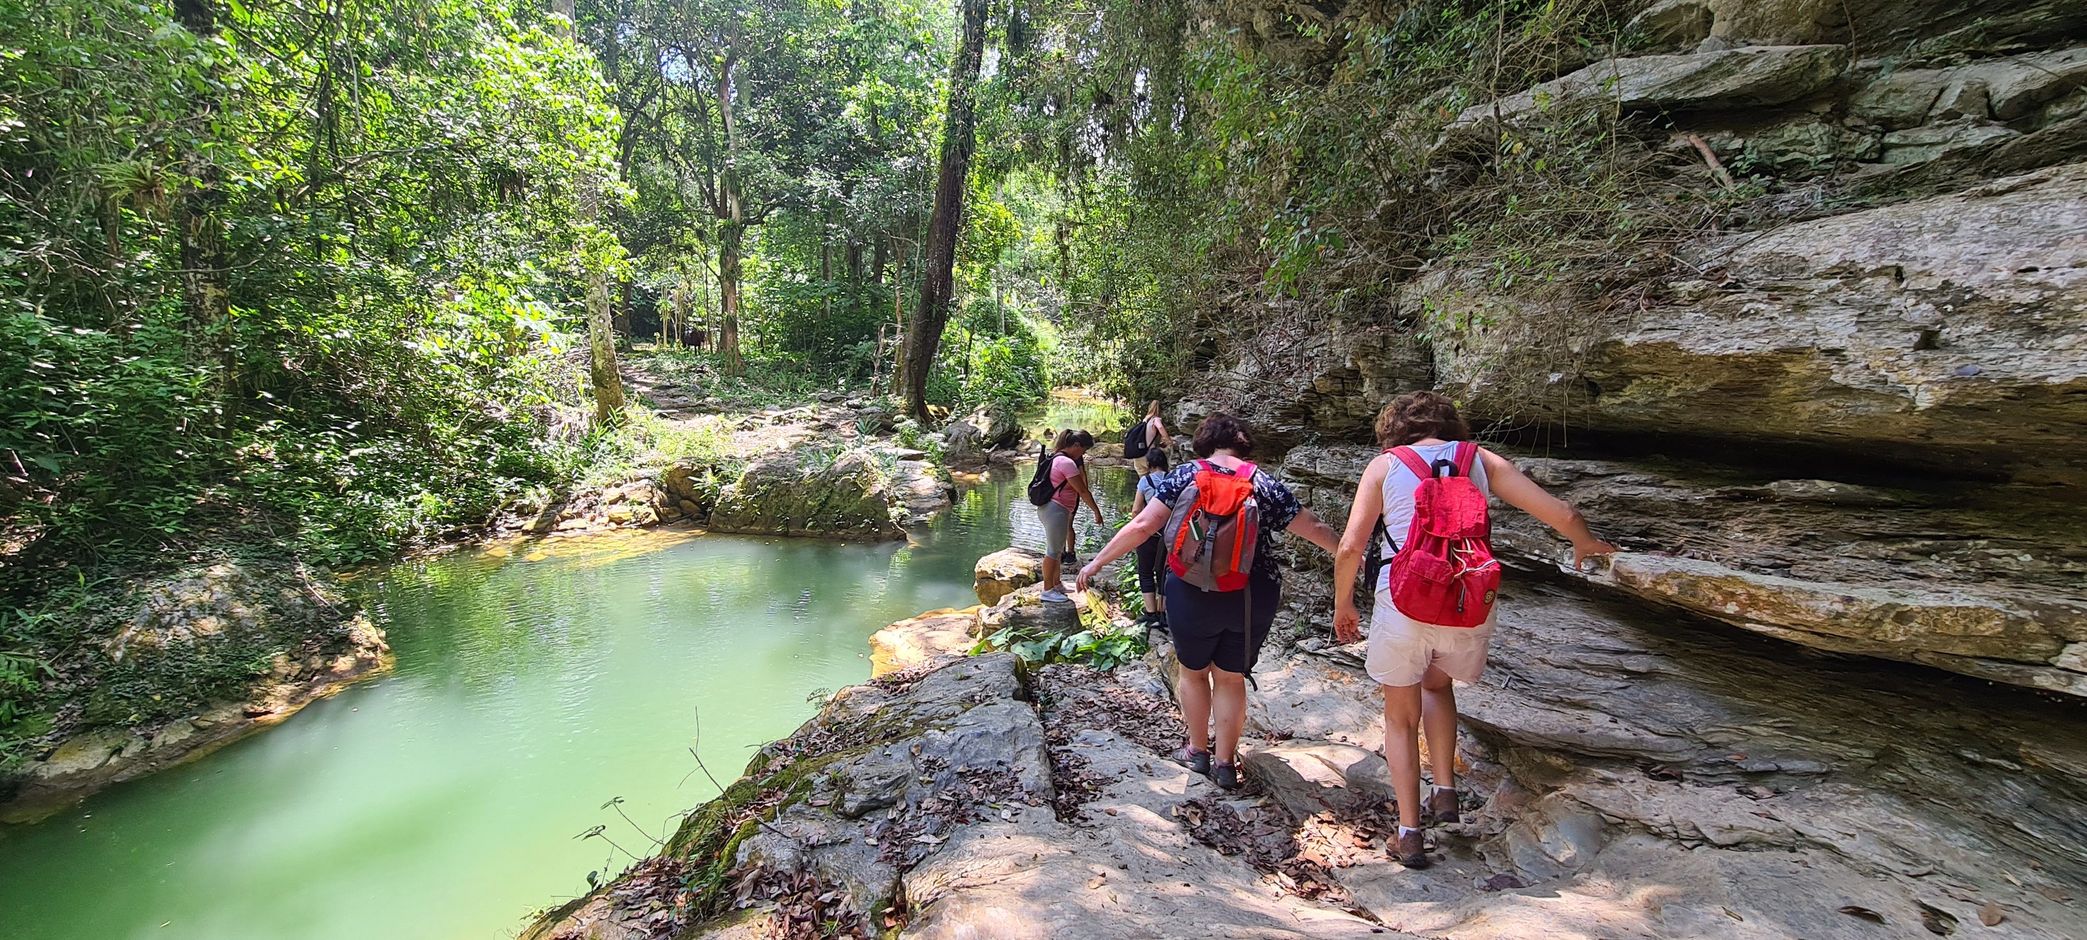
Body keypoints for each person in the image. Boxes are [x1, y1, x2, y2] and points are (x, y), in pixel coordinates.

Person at [1331, 391, 1617, 869]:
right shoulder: (1478, 459)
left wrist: (1343, 604)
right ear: (1450, 424)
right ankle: (1445, 792)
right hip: (1467, 600)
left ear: (1394, 428)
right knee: (1438, 686)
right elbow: (1563, 514)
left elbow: (1349, 547)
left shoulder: (1385, 466)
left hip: (1404, 603)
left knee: (1400, 717)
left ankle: (1409, 832)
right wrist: (1587, 544)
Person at [1078, 414, 1339, 790]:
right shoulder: (1262, 482)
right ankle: (1225, 764)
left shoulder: (1185, 476)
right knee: (1231, 679)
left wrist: (1097, 561)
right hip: (1250, 593)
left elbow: (1141, 527)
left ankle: (1197, 751)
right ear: (1245, 445)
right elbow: (1313, 527)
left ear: (1204, 443)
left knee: (1193, 672)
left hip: (1190, 591)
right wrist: (1352, 556)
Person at [1038, 428, 1102, 603]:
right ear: (1075, 445)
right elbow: (1082, 490)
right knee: (1052, 551)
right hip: (1055, 509)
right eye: (1083, 449)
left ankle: (1056, 584)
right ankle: (1047, 590)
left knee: (1057, 550)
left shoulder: (1056, 457)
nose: (1083, 453)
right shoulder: (1066, 463)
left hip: (1054, 509)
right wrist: (1096, 511)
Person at [1127, 447, 1172, 633]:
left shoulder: (1145, 482)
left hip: (1148, 534)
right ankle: (1164, 614)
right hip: (1169, 535)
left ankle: (1150, 613)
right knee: (1164, 573)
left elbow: (1137, 510)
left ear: (1150, 464)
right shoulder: (1174, 480)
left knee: (1145, 572)